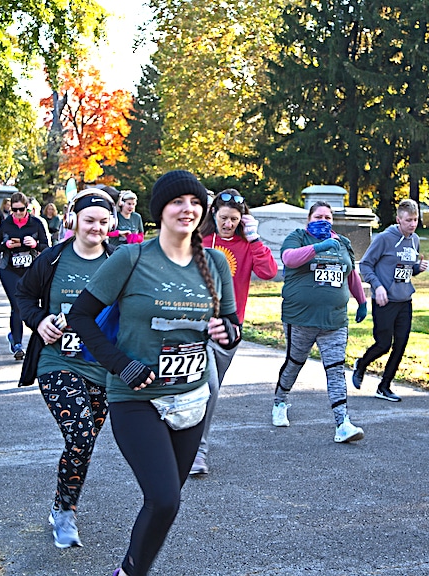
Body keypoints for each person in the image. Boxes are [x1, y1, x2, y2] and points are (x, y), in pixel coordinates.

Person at [66, 170, 239, 576]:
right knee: (163, 498)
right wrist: (121, 364)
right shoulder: (132, 258)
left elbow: (232, 325)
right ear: (159, 209)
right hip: (136, 398)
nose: (188, 209)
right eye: (178, 201)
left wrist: (227, 332)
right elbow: (82, 316)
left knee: (168, 503)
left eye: (196, 202)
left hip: (194, 397)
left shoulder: (214, 262)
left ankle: (129, 571)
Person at [14, 188, 118, 549]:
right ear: (74, 220)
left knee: (84, 443)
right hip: (56, 360)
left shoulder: (119, 262)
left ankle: (62, 502)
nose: (96, 228)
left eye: (104, 222)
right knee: (80, 434)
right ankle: (67, 512)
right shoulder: (52, 259)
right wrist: (39, 321)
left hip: (101, 367)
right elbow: (24, 296)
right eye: (90, 220)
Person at [191, 188, 278, 475]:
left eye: (234, 219)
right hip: (197, 326)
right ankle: (196, 453)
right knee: (209, 387)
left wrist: (255, 239)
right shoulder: (200, 241)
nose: (228, 224)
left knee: (210, 393)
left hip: (229, 329)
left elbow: (268, 272)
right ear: (213, 215)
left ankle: (192, 448)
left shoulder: (247, 244)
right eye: (223, 218)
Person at [273, 200, 369, 442]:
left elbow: (351, 274)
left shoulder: (342, 243)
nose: (323, 221)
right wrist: (318, 247)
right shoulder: (298, 237)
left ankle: (342, 423)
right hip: (301, 318)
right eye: (318, 217)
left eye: (328, 217)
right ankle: (280, 401)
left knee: (336, 370)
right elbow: (290, 259)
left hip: (334, 320)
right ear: (309, 219)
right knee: (295, 362)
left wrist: (362, 300)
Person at [352, 199, 428, 401]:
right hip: (385, 300)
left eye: (415, 220)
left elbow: (406, 269)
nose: (412, 224)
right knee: (384, 344)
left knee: (401, 343)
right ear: (398, 219)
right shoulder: (385, 239)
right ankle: (361, 364)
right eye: (408, 220)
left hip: (405, 300)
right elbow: (366, 265)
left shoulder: (415, 240)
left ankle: (384, 386)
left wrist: (417, 269)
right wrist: (378, 287)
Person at [0, 191, 50, 360]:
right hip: (10, 269)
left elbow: (48, 247)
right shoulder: (5, 224)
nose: (17, 213)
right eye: (14, 210)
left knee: (32, 305)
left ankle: (37, 338)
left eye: (20, 209)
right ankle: (17, 344)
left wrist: (36, 244)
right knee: (17, 305)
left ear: (27, 209)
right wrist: (5, 244)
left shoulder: (36, 223)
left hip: (32, 270)